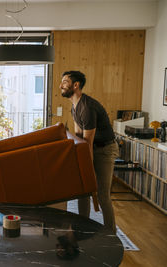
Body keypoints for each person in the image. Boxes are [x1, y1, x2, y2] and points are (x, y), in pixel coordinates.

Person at [60, 70, 119, 233]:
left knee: (102, 194)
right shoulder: (75, 106)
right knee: (83, 189)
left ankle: (110, 233)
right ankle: (82, 227)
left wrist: (88, 170)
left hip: (105, 150)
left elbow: (87, 143)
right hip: (92, 148)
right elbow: (79, 137)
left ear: (76, 85)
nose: (61, 85)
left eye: (65, 82)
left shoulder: (87, 107)